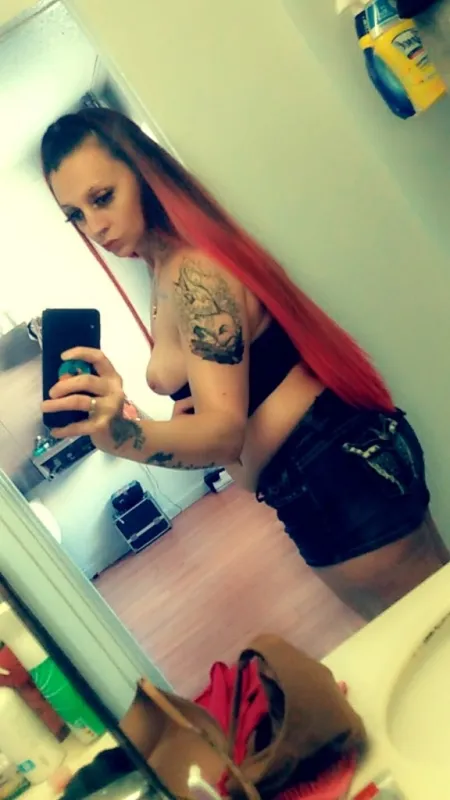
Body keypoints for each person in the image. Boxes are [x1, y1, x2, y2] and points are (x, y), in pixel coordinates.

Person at [40, 108, 448, 620]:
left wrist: (118, 435)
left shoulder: (194, 271)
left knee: (428, 640)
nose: (95, 226)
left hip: (331, 473)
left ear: (142, 174)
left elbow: (225, 435)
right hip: (317, 477)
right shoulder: (164, 268)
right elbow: (218, 411)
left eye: (102, 198)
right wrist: (146, 416)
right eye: (75, 215)